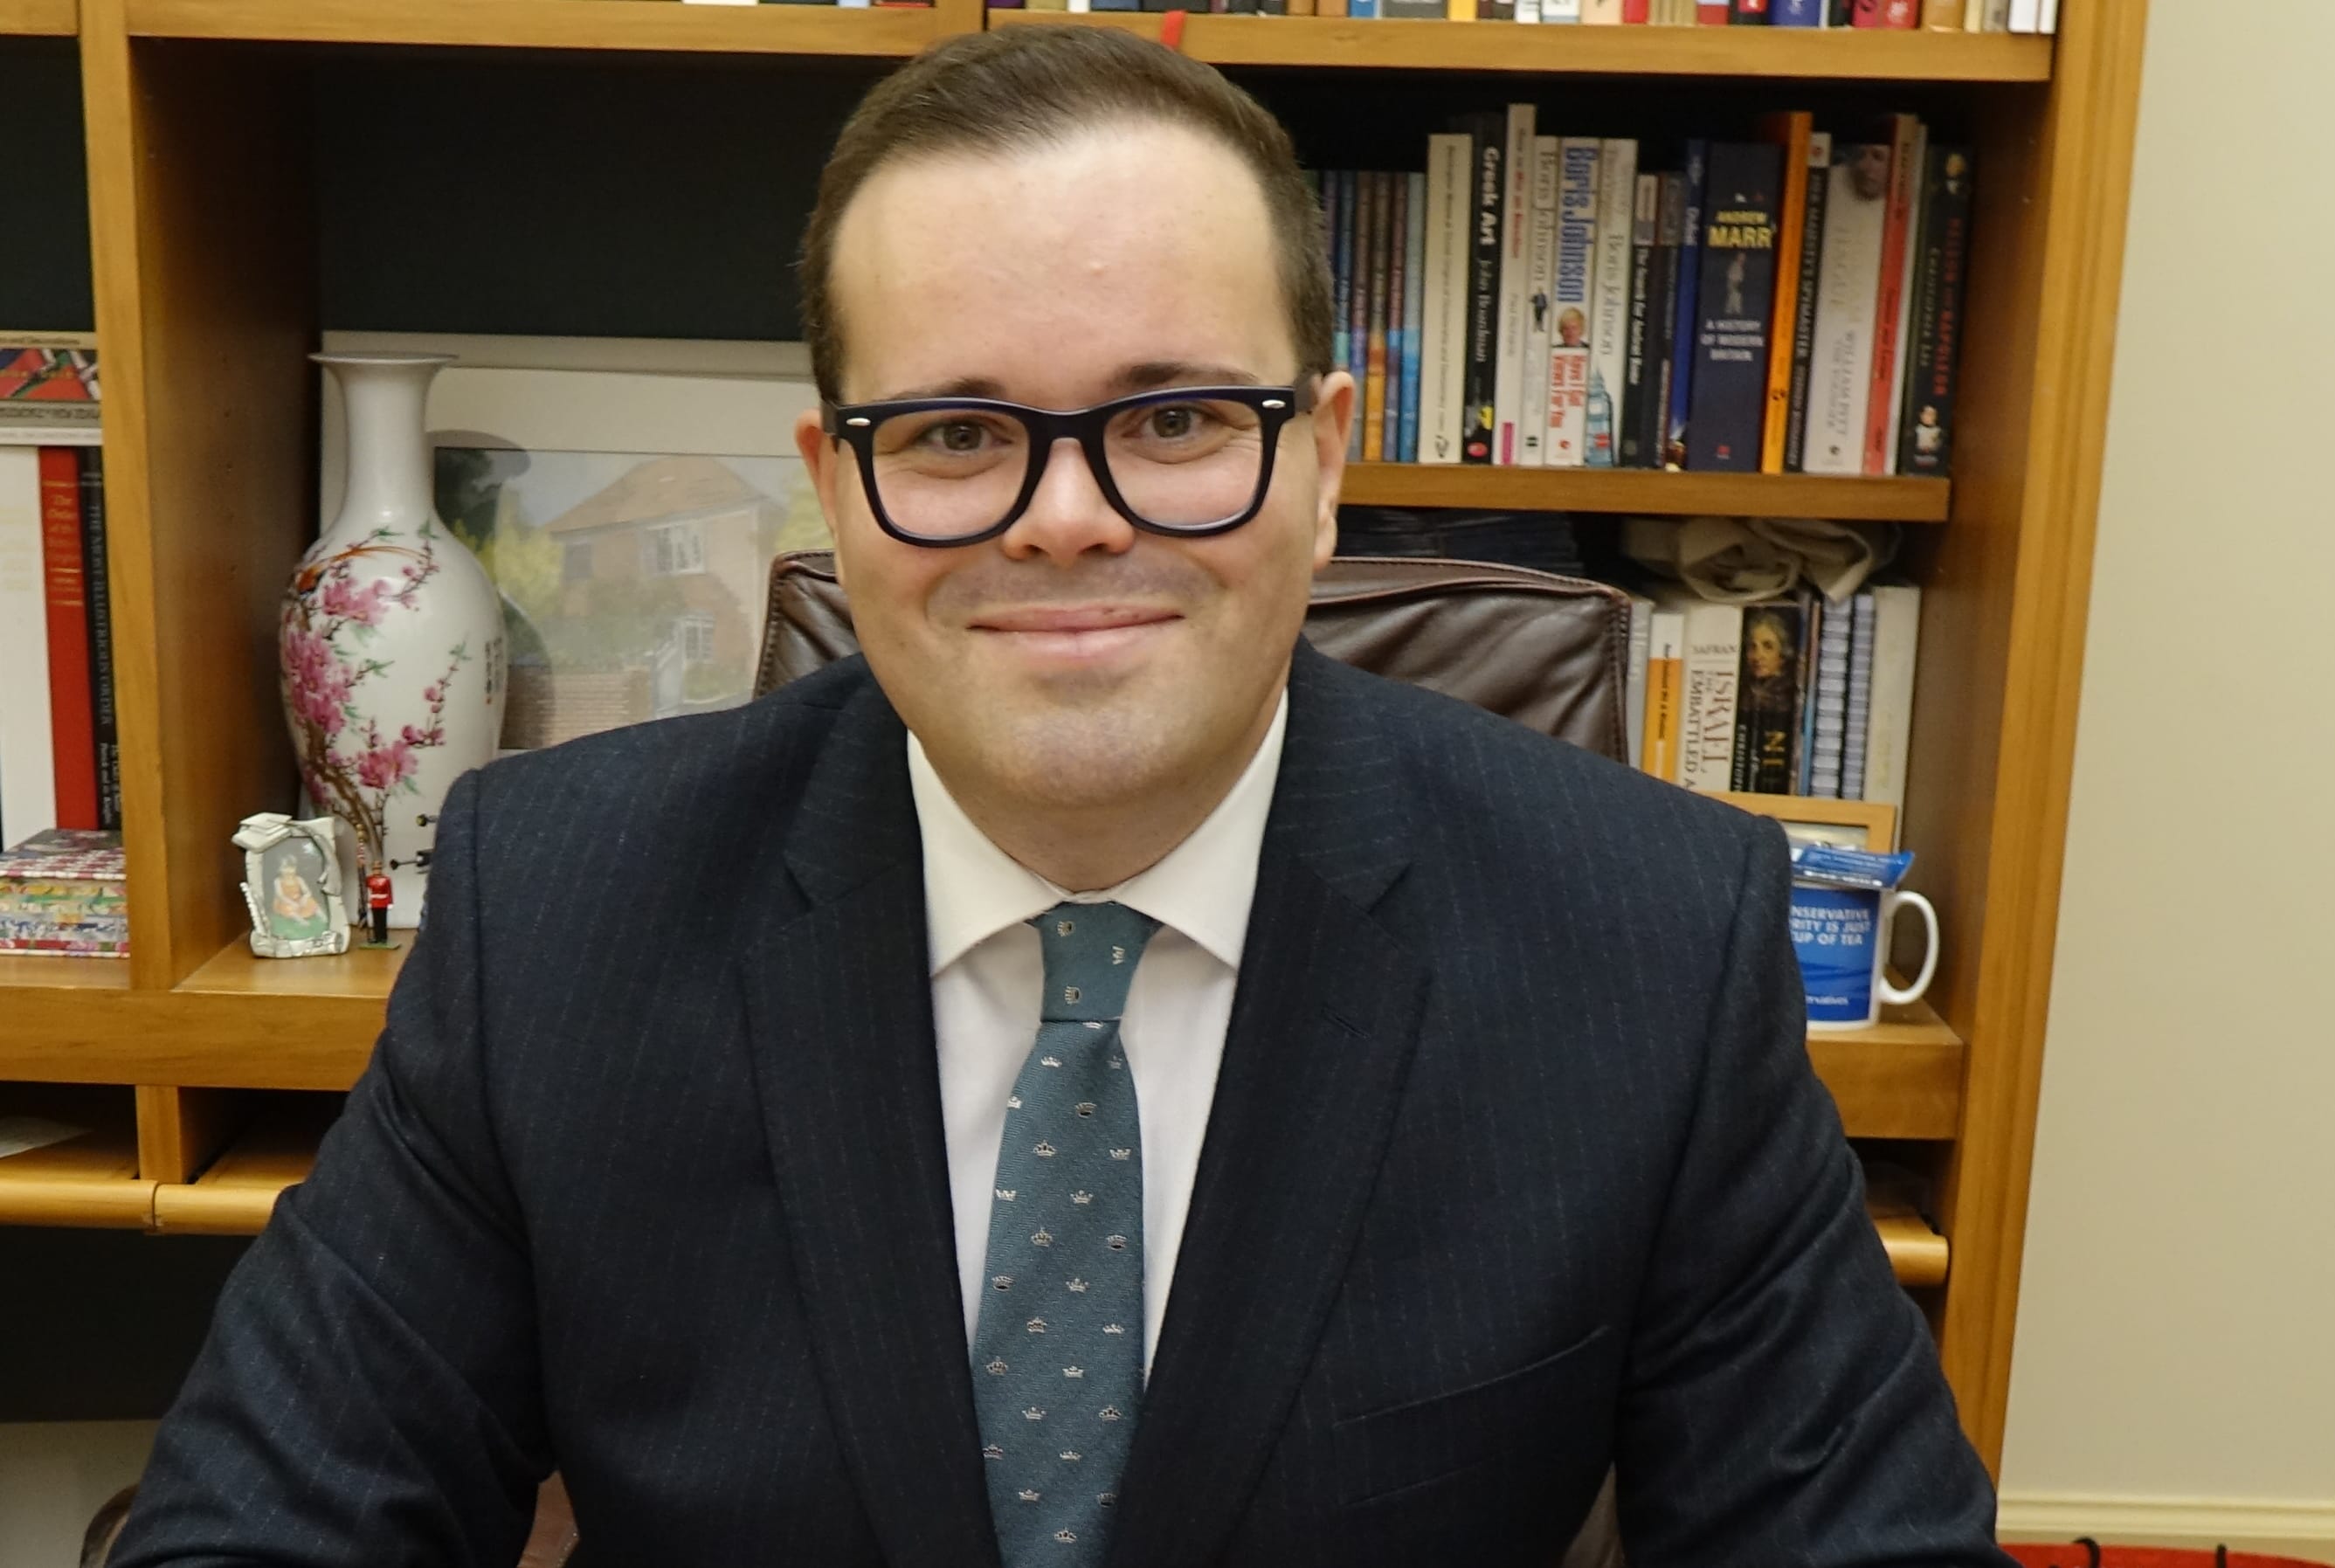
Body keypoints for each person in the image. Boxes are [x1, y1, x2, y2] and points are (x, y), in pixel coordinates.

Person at [110, 26, 2002, 1568]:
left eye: (1174, 418)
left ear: (1322, 464)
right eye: (955, 432)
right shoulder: (557, 911)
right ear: (835, 487)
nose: (1067, 514)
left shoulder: (1649, 945)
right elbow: (270, 1520)